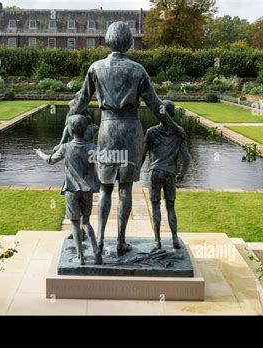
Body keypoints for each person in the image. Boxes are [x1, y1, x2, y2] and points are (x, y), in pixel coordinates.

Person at [63, 21, 185, 256]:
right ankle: (120, 241)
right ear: (129, 42)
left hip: (108, 130)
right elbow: (156, 106)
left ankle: (98, 240)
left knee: (106, 188)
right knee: (126, 188)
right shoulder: (137, 69)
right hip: (130, 130)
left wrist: (70, 119)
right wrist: (173, 125)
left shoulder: (95, 68)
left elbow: (80, 101)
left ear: (108, 41)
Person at [36, 115, 102, 265]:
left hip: (72, 190)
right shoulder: (92, 148)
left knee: (74, 224)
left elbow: (50, 160)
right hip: (87, 191)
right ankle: (96, 250)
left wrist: (38, 152)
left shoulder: (65, 148)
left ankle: (81, 257)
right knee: (86, 222)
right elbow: (105, 160)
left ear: (71, 131)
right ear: (86, 129)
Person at [142, 100, 191, 251]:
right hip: (169, 173)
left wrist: (135, 171)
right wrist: (181, 173)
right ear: (173, 115)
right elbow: (187, 157)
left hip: (154, 173)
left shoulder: (151, 132)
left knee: (155, 206)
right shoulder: (179, 132)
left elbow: (142, 154)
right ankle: (174, 238)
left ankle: (157, 240)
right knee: (171, 207)